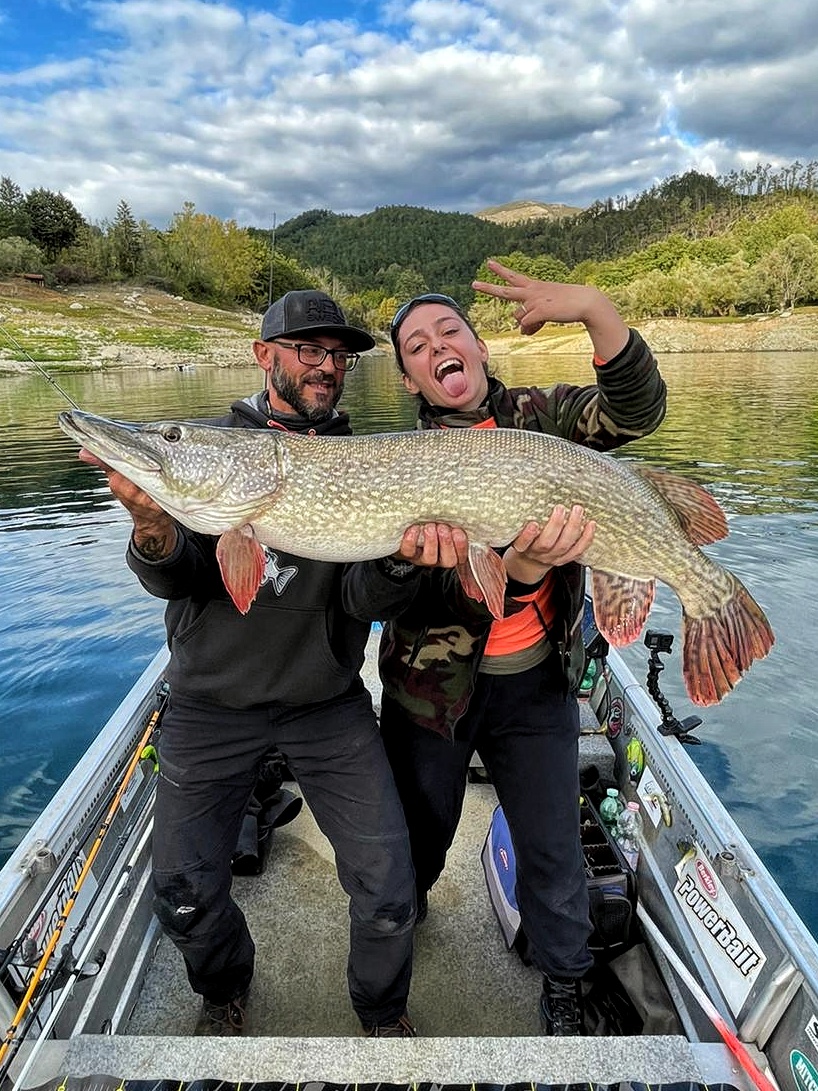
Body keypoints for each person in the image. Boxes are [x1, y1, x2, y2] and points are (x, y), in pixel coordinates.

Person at [78, 290, 421, 1039]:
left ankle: (381, 1011)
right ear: (264, 355)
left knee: (391, 887)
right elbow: (180, 575)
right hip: (209, 705)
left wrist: (401, 560)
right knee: (183, 894)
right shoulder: (212, 451)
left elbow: (363, 599)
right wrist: (149, 524)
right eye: (309, 349)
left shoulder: (364, 461)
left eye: (339, 355)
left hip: (325, 702)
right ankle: (224, 988)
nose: (327, 365)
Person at [372, 261, 668, 1035]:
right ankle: (411, 903)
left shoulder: (541, 420)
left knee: (553, 848)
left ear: (478, 347)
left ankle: (566, 982)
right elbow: (393, 596)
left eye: (449, 331)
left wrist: (596, 308)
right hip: (430, 693)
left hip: (537, 683)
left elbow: (636, 409)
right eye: (415, 346)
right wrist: (523, 571)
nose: (437, 347)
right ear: (409, 379)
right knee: (420, 833)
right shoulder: (397, 464)